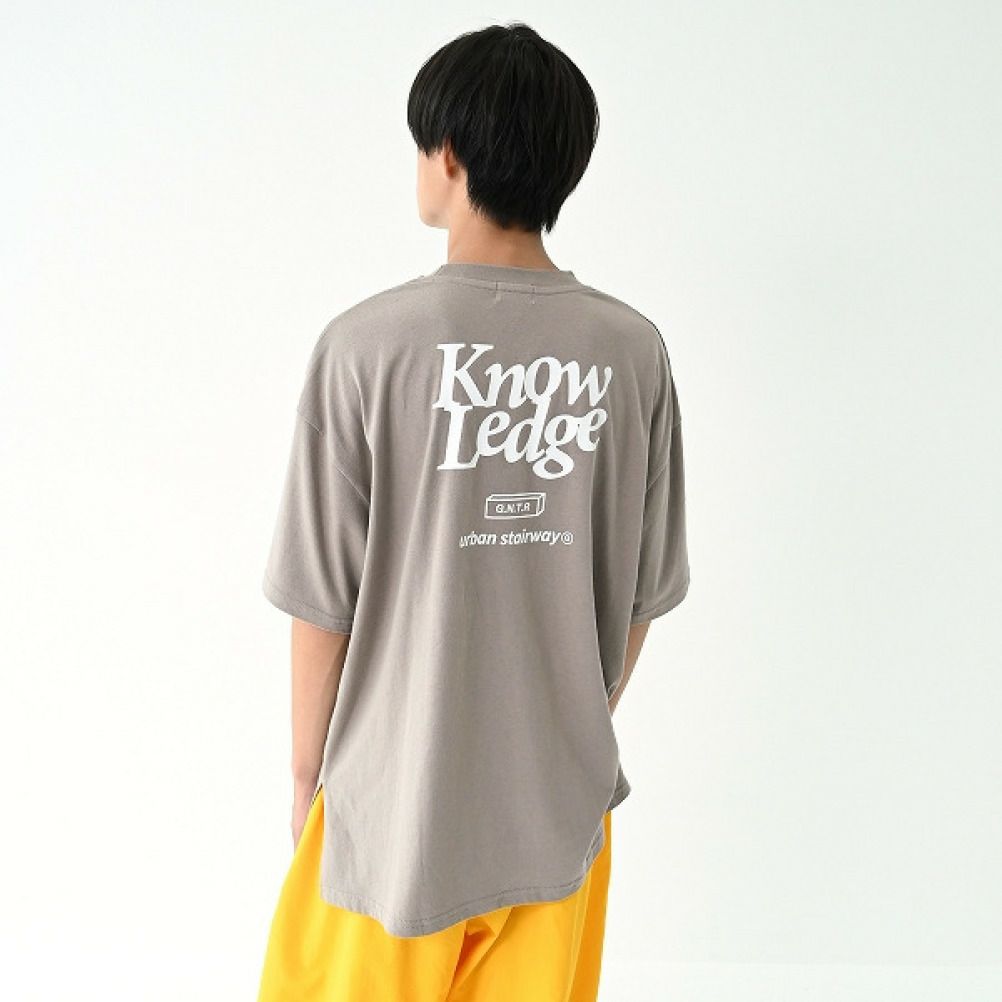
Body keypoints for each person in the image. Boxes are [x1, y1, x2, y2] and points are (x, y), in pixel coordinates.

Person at [256, 21, 690, 1002]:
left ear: (447, 154)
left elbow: (322, 603)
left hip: (392, 809)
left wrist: (305, 777)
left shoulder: (367, 347)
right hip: (558, 805)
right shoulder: (633, 352)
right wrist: (562, 721)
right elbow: (642, 595)